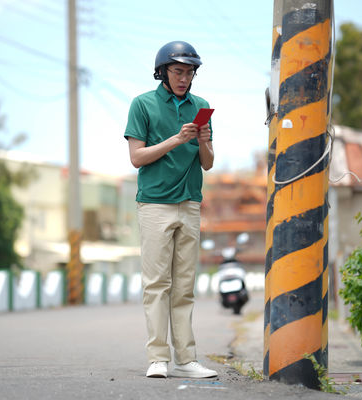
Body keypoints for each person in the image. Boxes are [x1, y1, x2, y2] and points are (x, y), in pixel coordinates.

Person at [124, 40, 217, 379]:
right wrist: (177, 139)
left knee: (184, 287)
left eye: (189, 72)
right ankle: (157, 358)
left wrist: (203, 139)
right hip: (154, 204)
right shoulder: (143, 104)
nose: (184, 79)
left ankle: (187, 359)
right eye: (178, 71)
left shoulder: (200, 105)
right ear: (162, 71)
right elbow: (137, 157)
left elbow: (207, 164)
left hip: (190, 203)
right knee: (156, 285)